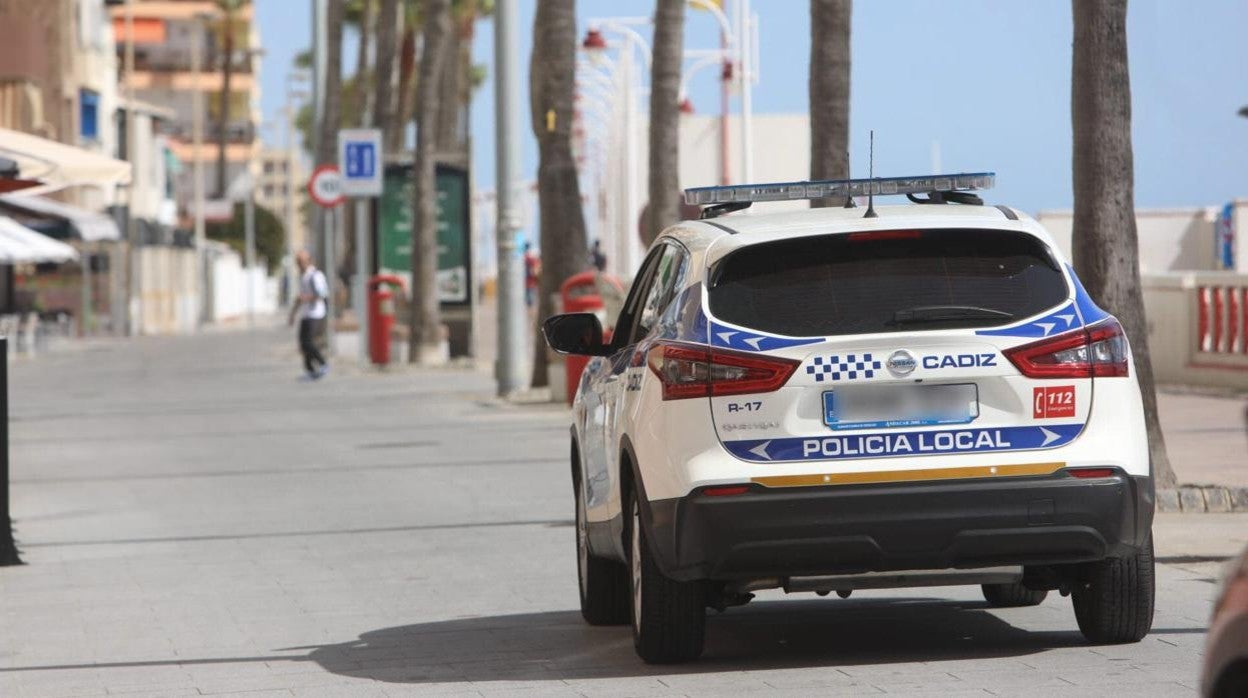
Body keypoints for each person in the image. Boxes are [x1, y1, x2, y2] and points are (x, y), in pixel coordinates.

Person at [288, 250, 330, 379]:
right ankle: (310, 370)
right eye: (298, 262)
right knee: (302, 343)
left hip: (316, 313)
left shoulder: (316, 275)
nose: (299, 264)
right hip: (306, 314)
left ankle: (323, 363)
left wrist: (305, 298)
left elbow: (322, 294)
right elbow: (299, 298)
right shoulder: (303, 276)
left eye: (301, 261)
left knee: (308, 342)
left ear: (309, 261)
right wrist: (292, 314)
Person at [523, 242, 541, 308]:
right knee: (530, 301)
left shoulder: (524, 258)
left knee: (528, 300)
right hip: (530, 282)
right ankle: (529, 313)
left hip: (527, 282)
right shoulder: (531, 259)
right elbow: (535, 271)